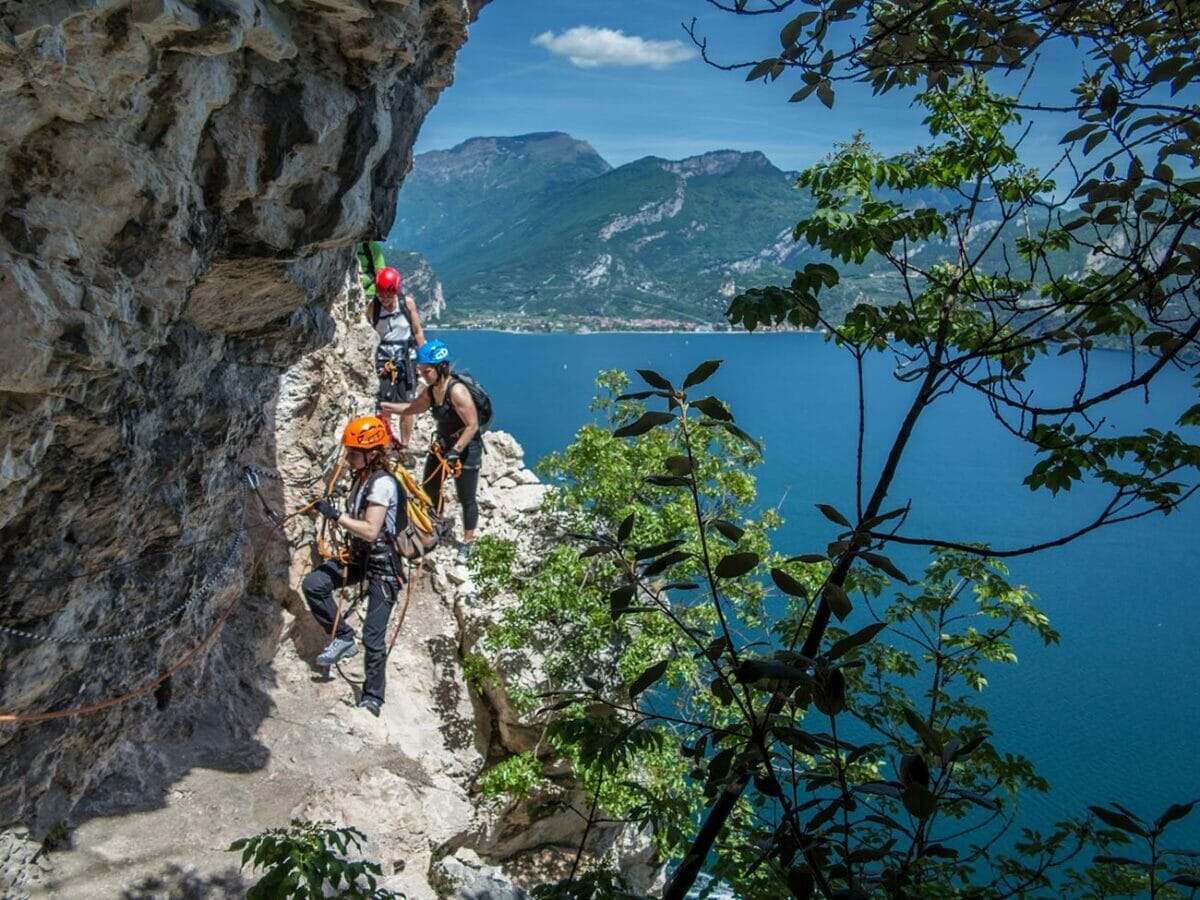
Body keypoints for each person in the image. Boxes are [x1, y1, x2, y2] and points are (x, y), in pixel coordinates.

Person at [303, 416, 408, 716]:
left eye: (353, 452)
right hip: (361, 558)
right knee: (315, 585)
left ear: (372, 453)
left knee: (373, 635)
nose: (347, 457)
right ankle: (342, 635)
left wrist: (334, 516)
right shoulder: (362, 478)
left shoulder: (383, 484)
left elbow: (371, 530)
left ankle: (373, 697)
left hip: (383, 568)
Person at [379, 339, 481, 564]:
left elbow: (472, 425)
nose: (423, 375)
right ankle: (438, 522)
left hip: (465, 448)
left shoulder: (458, 391)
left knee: (467, 497)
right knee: (430, 487)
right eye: (422, 371)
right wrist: (385, 407)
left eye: (427, 371)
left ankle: (468, 540)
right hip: (443, 445)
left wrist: (456, 451)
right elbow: (411, 408)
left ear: (440, 368)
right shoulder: (432, 390)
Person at [367, 266, 425, 451]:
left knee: (408, 404)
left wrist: (423, 360)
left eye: (388, 296)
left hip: (407, 359)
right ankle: (387, 443)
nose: (384, 300)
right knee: (385, 404)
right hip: (384, 361)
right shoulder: (373, 307)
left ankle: (405, 444)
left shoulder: (407, 304)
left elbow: (417, 331)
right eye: (381, 295)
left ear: (395, 292)